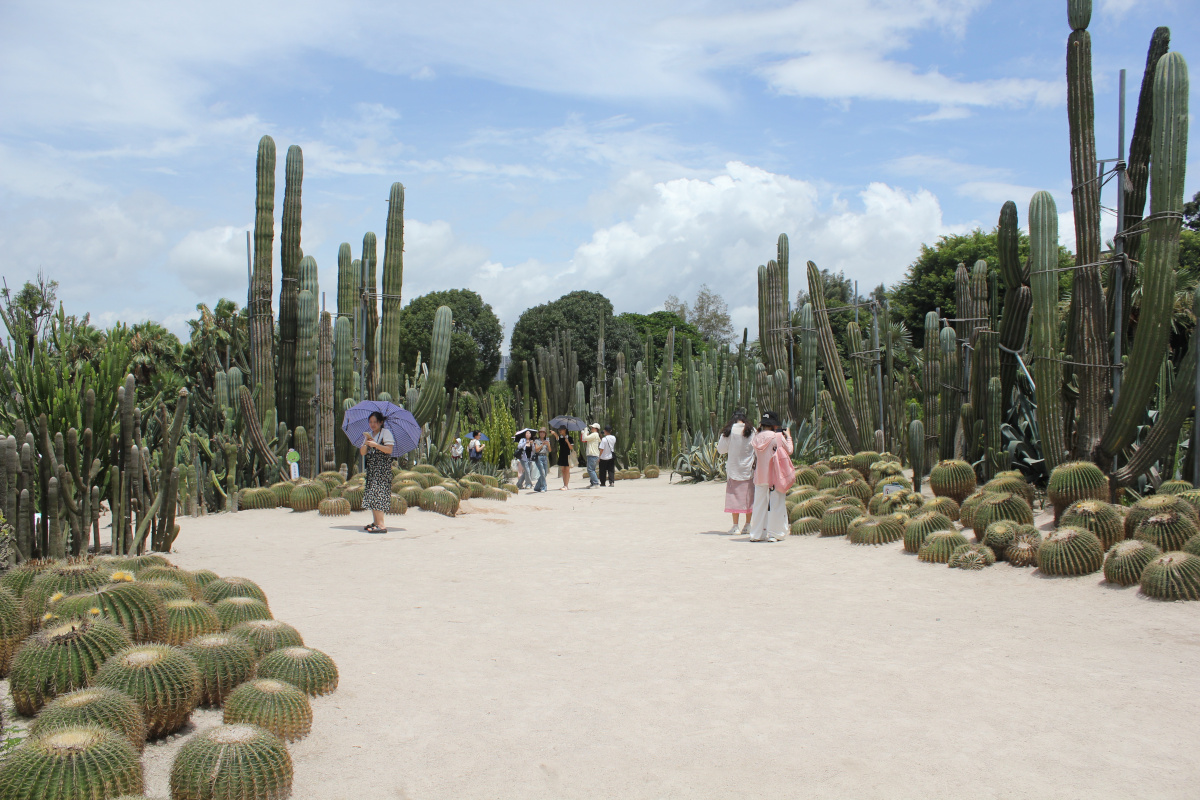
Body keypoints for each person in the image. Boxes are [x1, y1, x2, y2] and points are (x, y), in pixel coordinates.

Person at [747, 411, 792, 542]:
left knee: (759, 505)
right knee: (776, 504)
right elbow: (789, 450)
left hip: (760, 476)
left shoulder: (756, 438)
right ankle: (774, 534)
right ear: (774, 425)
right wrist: (788, 436)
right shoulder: (777, 437)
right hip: (775, 476)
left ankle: (756, 534)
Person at [716, 410, 755, 534]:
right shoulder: (752, 430)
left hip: (733, 469)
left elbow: (721, 450)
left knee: (734, 497)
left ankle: (735, 526)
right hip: (748, 469)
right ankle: (748, 525)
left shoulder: (729, 431)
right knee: (749, 498)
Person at [358, 412, 395, 533]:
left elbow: (389, 449)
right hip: (373, 468)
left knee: (379, 494)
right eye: (370, 422)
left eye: (375, 422)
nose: (372, 424)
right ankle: (375, 522)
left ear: (381, 422)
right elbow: (363, 452)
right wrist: (366, 443)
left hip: (382, 469)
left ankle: (381, 525)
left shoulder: (386, 433)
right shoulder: (370, 435)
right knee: (372, 494)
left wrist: (376, 445)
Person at [553, 426, 574, 490]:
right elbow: (557, 437)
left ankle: (566, 485)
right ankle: (564, 484)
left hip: (567, 455)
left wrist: (567, 442)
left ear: (565, 430)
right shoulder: (560, 438)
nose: (560, 431)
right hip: (561, 455)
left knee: (567, 470)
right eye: (559, 430)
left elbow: (571, 448)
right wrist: (554, 433)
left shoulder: (570, 438)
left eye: (561, 430)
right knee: (563, 470)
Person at [582, 423, 601, 488]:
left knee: (590, 470)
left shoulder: (595, 434)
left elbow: (585, 438)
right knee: (592, 469)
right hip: (593, 454)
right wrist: (585, 433)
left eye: (593, 427)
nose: (591, 428)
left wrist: (585, 430)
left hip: (592, 454)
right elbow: (585, 439)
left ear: (596, 429)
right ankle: (592, 483)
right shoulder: (594, 435)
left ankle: (596, 483)